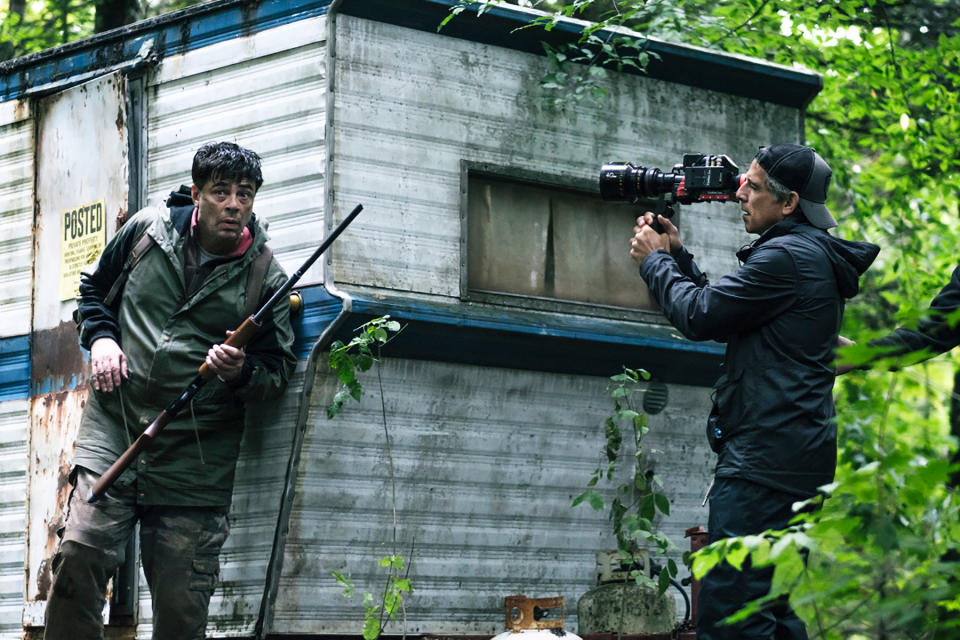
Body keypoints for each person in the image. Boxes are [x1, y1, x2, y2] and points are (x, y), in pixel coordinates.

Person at [44, 141, 296, 640]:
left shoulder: (267, 279)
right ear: (197, 194)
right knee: (77, 560)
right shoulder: (145, 231)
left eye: (244, 195)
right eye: (220, 192)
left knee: (182, 609)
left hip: (194, 458)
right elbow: (92, 291)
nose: (233, 205)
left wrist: (240, 371)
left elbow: (276, 373)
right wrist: (102, 339)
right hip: (115, 428)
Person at [628, 144, 879, 640]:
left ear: (789, 204)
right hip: (795, 458)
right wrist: (679, 257)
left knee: (733, 617)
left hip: (763, 464)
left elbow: (700, 317)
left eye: (754, 186)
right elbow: (731, 316)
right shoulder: (809, 256)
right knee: (775, 613)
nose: (739, 192)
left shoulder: (786, 256)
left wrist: (656, 264)